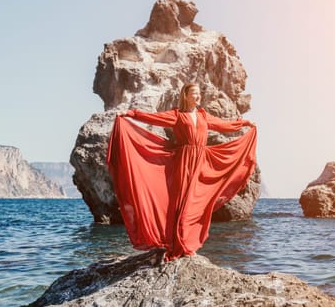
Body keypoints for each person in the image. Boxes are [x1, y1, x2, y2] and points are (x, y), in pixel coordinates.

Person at [106, 83, 257, 261]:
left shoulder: (203, 116)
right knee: (182, 205)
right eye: (194, 93)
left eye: (199, 93)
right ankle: (179, 244)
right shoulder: (177, 115)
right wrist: (131, 114)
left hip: (201, 162)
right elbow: (153, 118)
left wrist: (244, 123)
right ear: (186, 95)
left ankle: (186, 243)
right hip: (184, 163)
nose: (198, 96)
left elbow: (224, 125)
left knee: (196, 205)